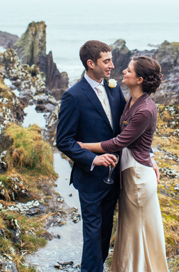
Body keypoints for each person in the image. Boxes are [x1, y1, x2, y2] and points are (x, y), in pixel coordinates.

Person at [77, 55, 168, 272]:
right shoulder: (131, 99)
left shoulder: (145, 109)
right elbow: (133, 135)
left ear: (139, 80)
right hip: (129, 172)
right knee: (129, 230)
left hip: (137, 177)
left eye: (129, 70)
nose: (123, 72)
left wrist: (84, 146)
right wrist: (150, 155)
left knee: (135, 232)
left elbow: (120, 141)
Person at [55, 40, 126, 272]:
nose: (111, 66)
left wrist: (148, 154)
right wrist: (93, 159)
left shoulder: (114, 88)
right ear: (90, 63)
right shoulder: (73, 96)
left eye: (111, 60)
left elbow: (125, 127)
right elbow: (63, 141)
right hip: (90, 178)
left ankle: (98, 266)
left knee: (106, 231)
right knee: (93, 233)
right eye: (106, 61)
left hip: (115, 176)